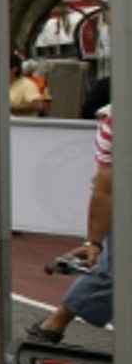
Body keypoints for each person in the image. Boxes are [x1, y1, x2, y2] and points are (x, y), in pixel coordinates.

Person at [29, 103, 112, 345]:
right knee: (112, 267)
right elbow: (105, 190)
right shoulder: (115, 124)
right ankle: (53, 326)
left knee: (112, 268)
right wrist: (95, 242)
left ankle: (54, 325)